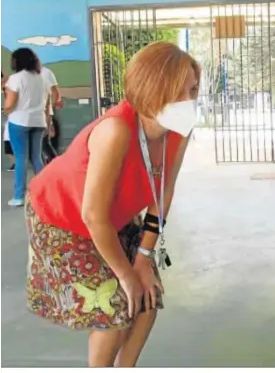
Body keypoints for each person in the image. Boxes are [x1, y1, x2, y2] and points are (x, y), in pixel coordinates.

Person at [25, 42, 199, 367]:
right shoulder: (116, 130)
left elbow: (164, 192)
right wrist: (126, 274)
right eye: (180, 92)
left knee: (148, 295)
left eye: (193, 90)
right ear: (153, 89)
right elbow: (92, 215)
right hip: (62, 215)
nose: (190, 101)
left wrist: (143, 259)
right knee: (116, 304)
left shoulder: (179, 130)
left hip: (113, 215)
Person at [3, 48, 51, 207]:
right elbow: (47, 103)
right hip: (39, 121)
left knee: (20, 158)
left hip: (19, 121)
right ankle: (46, 193)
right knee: (37, 158)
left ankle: (19, 196)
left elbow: (9, 104)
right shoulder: (42, 78)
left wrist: (5, 106)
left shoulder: (15, 79)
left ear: (17, 61)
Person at [40, 64, 63, 162]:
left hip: (44, 113)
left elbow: (55, 92)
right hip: (32, 114)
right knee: (41, 144)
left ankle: (55, 165)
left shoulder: (45, 72)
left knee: (44, 142)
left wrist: (50, 113)